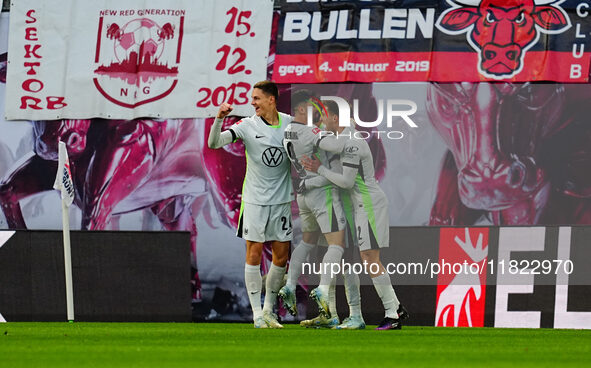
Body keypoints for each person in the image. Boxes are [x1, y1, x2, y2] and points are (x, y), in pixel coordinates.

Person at [302, 100, 409, 330]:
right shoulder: (345, 139)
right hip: (356, 206)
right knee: (358, 261)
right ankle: (377, 312)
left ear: (334, 117)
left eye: (323, 116)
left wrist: (318, 168)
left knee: (370, 259)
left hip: (368, 204)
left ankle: (393, 313)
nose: (320, 121)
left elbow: (347, 181)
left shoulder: (351, 143)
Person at [208, 81, 293, 329]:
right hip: (255, 201)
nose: (252, 102)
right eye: (252, 98)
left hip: (281, 201)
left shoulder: (290, 123)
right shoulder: (247, 125)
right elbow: (214, 143)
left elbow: (306, 146)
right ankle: (256, 314)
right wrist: (218, 118)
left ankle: (268, 311)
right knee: (253, 253)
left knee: (281, 257)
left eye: (257, 98)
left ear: (271, 100)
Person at [278, 89, 348, 328]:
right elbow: (337, 146)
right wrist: (347, 129)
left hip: (303, 193)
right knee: (337, 244)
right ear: (299, 109)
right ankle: (323, 288)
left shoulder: (287, 131)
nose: (315, 110)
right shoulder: (311, 132)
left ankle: (289, 285)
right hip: (322, 193)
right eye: (310, 106)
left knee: (307, 243)